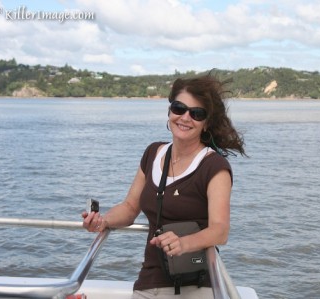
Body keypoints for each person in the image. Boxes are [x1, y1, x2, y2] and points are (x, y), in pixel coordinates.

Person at [82, 73, 246, 299]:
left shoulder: (214, 167)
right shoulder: (152, 153)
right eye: (179, 108)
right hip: (151, 280)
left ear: (206, 123)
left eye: (196, 113)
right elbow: (130, 207)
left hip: (197, 284)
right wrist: (103, 221)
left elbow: (220, 230)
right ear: (169, 111)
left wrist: (183, 243)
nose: (185, 117)